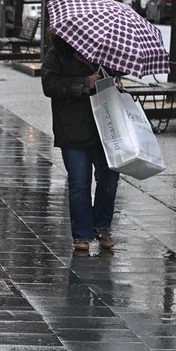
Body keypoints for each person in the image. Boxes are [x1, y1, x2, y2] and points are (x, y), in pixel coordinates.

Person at [41, 36, 120, 252]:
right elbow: (49, 84)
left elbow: (116, 74)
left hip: (104, 127)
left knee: (109, 180)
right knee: (79, 184)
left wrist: (113, 79)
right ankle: (82, 234)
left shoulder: (104, 50)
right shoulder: (57, 53)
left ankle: (102, 226)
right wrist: (84, 83)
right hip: (72, 127)